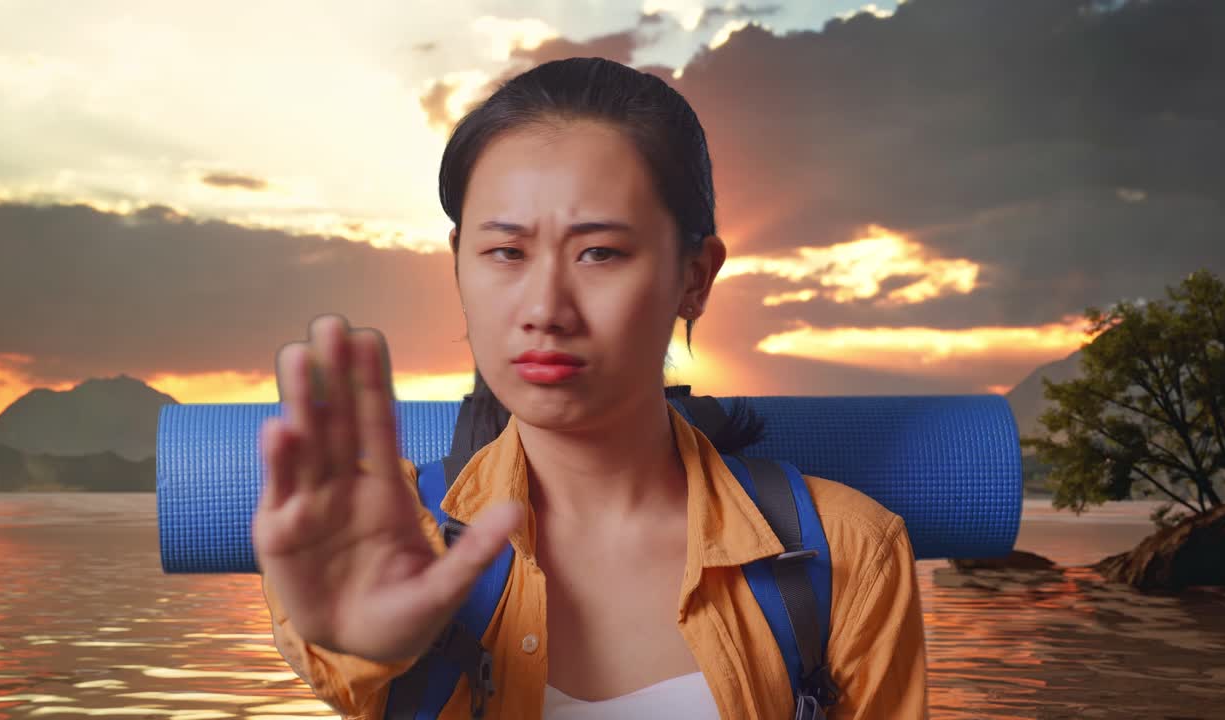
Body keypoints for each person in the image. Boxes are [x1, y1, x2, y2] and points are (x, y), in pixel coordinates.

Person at [254, 56, 928, 719]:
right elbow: (344, 648)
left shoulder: (850, 552)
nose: (545, 308)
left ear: (695, 276)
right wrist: (357, 649)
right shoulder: (379, 537)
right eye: (507, 253)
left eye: (599, 252)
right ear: (459, 265)